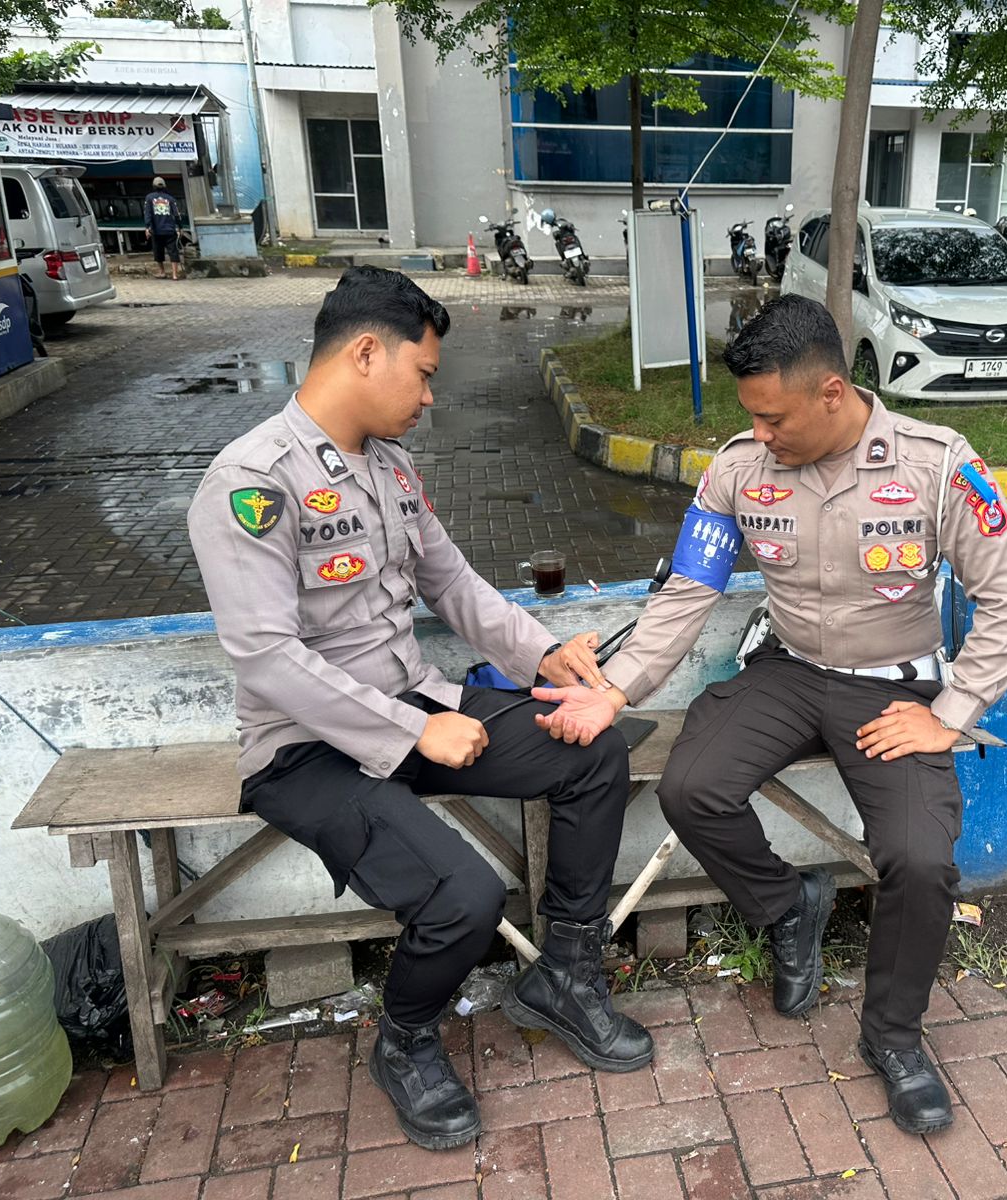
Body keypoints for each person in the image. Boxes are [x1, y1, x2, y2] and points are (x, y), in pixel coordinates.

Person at [530, 293, 1007, 1135]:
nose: (760, 434)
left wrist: (950, 714)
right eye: (752, 418)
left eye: (774, 418)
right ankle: (787, 909)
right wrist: (614, 689)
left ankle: (893, 1037)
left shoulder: (938, 465)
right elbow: (688, 592)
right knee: (691, 787)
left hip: (894, 691)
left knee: (918, 858)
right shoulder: (738, 469)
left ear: (832, 392)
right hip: (789, 670)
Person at [186, 266, 653, 1151]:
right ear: (367, 352)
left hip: (417, 709)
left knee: (594, 750)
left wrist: (541, 653)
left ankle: (565, 974)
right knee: (463, 896)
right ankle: (404, 1042)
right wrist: (414, 729)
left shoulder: (391, 466)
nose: (431, 397)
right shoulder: (252, 481)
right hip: (305, 749)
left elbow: (452, 583)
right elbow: (265, 657)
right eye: (425, 373)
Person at [144, 176, 183, 280]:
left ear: (153, 186)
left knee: (158, 252)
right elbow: (177, 214)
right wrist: (180, 227)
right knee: (173, 251)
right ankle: (175, 275)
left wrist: (147, 227)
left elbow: (148, 214)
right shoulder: (170, 199)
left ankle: (162, 272)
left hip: (156, 230)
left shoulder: (149, 198)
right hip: (170, 230)